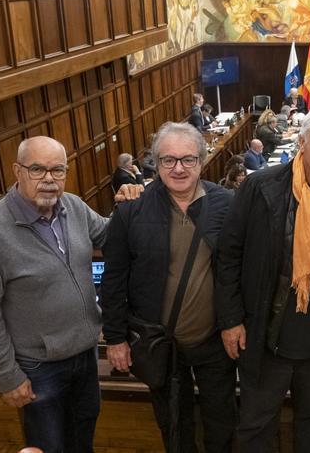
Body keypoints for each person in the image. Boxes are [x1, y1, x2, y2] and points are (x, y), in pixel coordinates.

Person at [214, 104, 310, 452]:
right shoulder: (260, 188)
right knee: (255, 425)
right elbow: (228, 256)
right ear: (302, 141)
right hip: (265, 334)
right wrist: (230, 320)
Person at [0, 136, 108, 452]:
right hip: (39, 368)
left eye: (57, 170)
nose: (48, 179)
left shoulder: (73, 206)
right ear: (17, 171)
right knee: (49, 445)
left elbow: (112, 235)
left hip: (84, 356)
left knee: (83, 438)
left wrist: (132, 205)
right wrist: (8, 377)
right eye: (37, 169)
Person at [101, 121, 237, 453]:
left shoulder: (227, 203)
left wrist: (237, 321)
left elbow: (239, 268)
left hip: (215, 341)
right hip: (160, 343)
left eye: (187, 159)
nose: (178, 168)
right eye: (168, 160)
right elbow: (114, 278)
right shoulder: (131, 209)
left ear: (201, 161)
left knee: (221, 421)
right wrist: (116, 338)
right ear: (156, 163)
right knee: (174, 424)